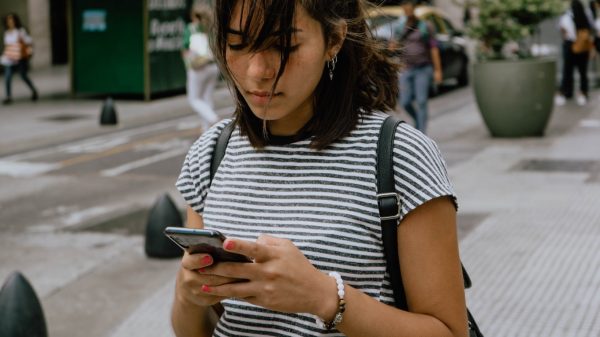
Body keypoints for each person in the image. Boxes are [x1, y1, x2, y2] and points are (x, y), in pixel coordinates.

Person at [172, 1, 468, 337]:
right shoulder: (210, 153)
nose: (257, 71)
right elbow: (192, 331)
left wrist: (325, 297)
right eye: (238, 44)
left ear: (334, 40)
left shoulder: (401, 156)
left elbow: (448, 331)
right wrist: (188, 294)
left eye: (285, 45)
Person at [389, 0, 442, 133]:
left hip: (423, 68)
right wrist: (392, 46)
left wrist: (437, 70)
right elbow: (394, 46)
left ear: (413, 9)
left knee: (421, 101)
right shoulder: (400, 27)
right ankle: (418, 121)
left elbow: (434, 48)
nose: (407, 11)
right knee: (405, 102)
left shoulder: (425, 26)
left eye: (409, 8)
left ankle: (421, 132)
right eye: (405, 9)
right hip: (407, 68)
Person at [182, 2, 221, 130]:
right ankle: (207, 131)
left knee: (194, 99)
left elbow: (185, 48)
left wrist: (188, 64)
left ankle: (213, 119)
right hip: (213, 66)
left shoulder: (191, 28)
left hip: (198, 67)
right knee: (207, 98)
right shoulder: (212, 28)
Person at [555, 0, 595, 107]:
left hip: (570, 44)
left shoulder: (567, 15)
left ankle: (567, 92)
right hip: (582, 44)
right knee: (582, 71)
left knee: (568, 70)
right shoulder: (586, 14)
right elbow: (591, 28)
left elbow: (562, 29)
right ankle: (582, 93)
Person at [1, 13, 38, 105]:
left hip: (20, 57)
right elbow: (7, 46)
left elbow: (29, 41)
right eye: (8, 21)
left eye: (12, 20)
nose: (10, 23)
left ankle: (34, 91)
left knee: (23, 75)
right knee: (7, 76)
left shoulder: (20, 31)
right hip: (10, 58)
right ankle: (8, 96)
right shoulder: (6, 33)